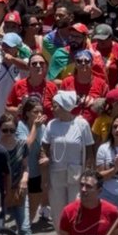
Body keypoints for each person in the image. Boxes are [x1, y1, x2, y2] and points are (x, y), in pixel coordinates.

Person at [41, 91, 95, 226]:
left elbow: (89, 151)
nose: (52, 109)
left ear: (64, 106)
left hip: (76, 175)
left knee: (75, 209)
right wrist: (44, 159)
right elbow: (44, 147)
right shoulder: (51, 124)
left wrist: (87, 175)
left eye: (55, 106)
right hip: (56, 174)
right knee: (58, 211)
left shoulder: (82, 124)